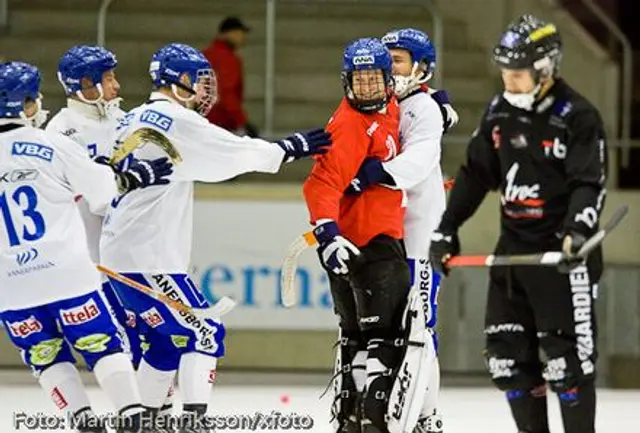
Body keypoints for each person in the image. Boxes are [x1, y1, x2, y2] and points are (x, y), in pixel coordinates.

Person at [99, 42, 331, 433]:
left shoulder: (135, 116)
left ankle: (139, 425)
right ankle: (193, 423)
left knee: (163, 343)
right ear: (176, 81)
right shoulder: (175, 120)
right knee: (204, 332)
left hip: (122, 252)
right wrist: (287, 149)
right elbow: (233, 153)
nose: (205, 90)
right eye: (196, 81)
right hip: (147, 257)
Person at [429, 15, 607, 433]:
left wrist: (577, 232)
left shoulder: (579, 116)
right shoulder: (498, 112)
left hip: (561, 257)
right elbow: (475, 174)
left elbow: (589, 182)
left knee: (568, 366)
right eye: (505, 74)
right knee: (508, 363)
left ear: (546, 70)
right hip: (513, 255)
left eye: (518, 75)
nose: (509, 83)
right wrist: (446, 227)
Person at [0, 61, 172, 433]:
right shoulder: (51, 142)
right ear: (23, 105)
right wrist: (132, 176)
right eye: (35, 99)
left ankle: (84, 423)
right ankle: (132, 417)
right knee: (104, 347)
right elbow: (102, 193)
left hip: (9, 285)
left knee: (45, 355)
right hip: (66, 273)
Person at [303, 37, 430, 433]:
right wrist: (326, 233)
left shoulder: (390, 106)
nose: (368, 88)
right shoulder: (348, 126)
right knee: (385, 340)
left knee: (357, 338)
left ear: (388, 80)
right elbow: (320, 184)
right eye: (360, 80)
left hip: (370, 237)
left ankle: (353, 418)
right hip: (365, 242)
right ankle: (370, 418)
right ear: (347, 82)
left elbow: (409, 107)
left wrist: (438, 104)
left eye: (375, 79)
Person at [344, 28, 460, 433]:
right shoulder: (390, 103)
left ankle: (427, 416)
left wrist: (377, 173)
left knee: (419, 328)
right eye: (386, 58)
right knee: (391, 330)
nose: (388, 65)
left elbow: (421, 159)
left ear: (421, 67)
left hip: (419, 238)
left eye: (397, 59)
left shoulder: (423, 107)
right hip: (390, 234)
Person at [46, 44, 144, 370]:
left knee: (148, 341)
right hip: (93, 263)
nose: (116, 85)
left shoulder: (122, 118)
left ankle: (149, 410)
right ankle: (136, 415)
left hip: (130, 253)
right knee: (122, 344)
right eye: (108, 77)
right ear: (85, 84)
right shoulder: (59, 131)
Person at [202, 16, 257, 137]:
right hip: (221, 122)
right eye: (239, 33)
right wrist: (243, 122)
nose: (242, 38)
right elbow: (227, 93)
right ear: (229, 33)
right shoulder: (228, 59)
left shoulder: (205, 54)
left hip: (202, 119)